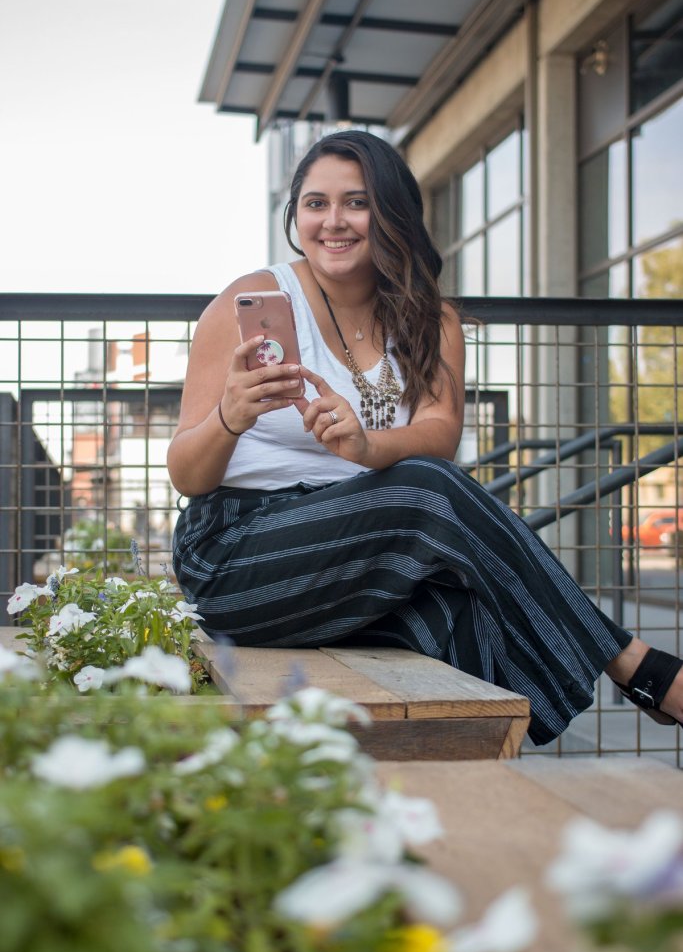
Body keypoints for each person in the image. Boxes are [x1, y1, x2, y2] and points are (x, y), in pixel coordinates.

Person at [168, 129, 682, 746]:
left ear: (392, 212)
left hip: (363, 557)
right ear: (296, 215)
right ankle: (638, 667)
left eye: (357, 202)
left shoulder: (430, 317)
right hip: (238, 558)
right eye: (315, 203)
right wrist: (229, 417)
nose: (334, 221)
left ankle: (462, 794)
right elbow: (186, 475)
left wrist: (365, 449)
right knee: (427, 490)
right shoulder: (246, 303)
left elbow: (439, 432)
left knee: (460, 621)